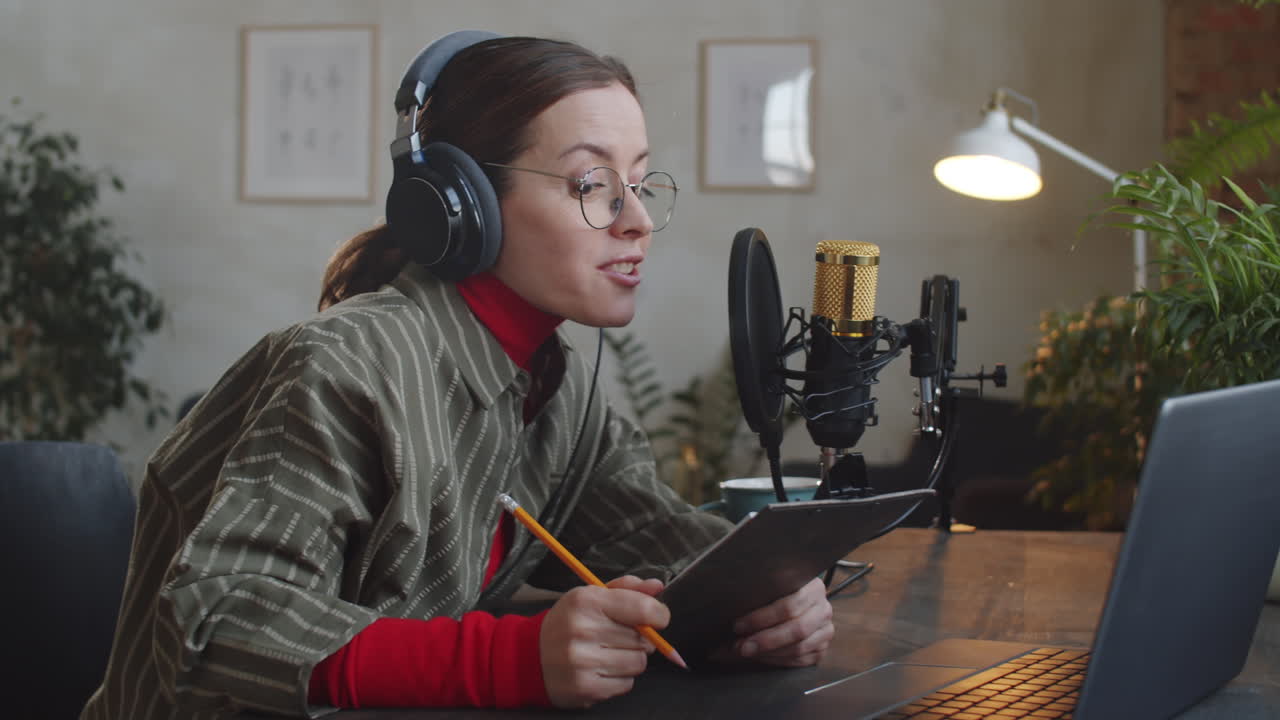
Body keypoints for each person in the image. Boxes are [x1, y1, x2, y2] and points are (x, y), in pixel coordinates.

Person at [80, 32, 833, 719]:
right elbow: (220, 619)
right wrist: (510, 661)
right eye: (591, 185)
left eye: (639, 182)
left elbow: (652, 533)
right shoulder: (345, 365)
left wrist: (766, 602)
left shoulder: (559, 390)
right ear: (462, 204)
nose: (634, 218)